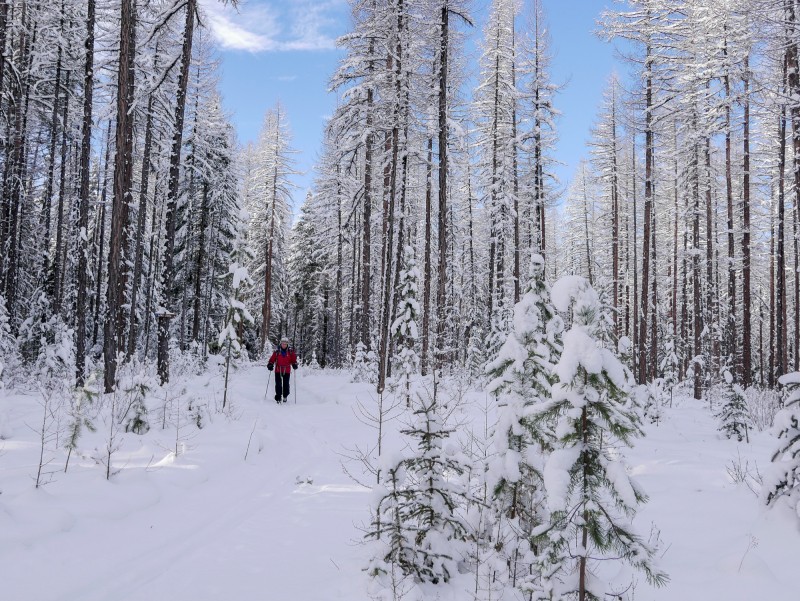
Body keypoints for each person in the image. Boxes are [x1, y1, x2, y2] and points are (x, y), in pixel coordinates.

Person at [267, 337, 298, 403]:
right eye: (283, 343)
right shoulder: (277, 351)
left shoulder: (290, 352)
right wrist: (270, 364)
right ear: (281, 344)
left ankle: (285, 396)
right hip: (278, 370)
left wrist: (294, 364)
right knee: (278, 384)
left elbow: (293, 360)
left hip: (287, 370)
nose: (284, 345)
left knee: (286, 384)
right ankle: (278, 397)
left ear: (287, 344)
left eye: (285, 344)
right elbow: (272, 359)